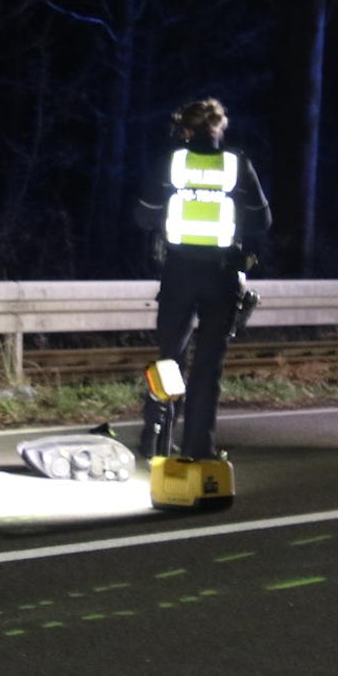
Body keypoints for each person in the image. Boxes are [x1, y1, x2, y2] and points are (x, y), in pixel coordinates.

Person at [134, 97, 272, 460]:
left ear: (185, 128)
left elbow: (143, 216)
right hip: (221, 275)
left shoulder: (172, 161)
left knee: (169, 358)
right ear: (219, 129)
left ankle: (154, 440)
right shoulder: (236, 163)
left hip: (178, 272)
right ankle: (200, 448)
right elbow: (263, 220)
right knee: (208, 364)